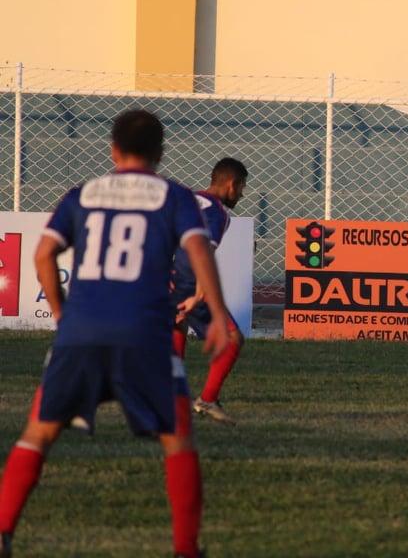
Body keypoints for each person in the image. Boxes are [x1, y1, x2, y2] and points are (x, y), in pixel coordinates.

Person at [0, 110, 230, 558]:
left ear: (113, 149)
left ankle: (3, 530)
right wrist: (217, 311)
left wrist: (63, 315)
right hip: (144, 333)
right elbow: (198, 248)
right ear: (160, 154)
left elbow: (45, 254)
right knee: (177, 439)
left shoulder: (83, 194)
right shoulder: (174, 196)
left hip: (80, 334)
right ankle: (186, 549)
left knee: (37, 434)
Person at [170, 158, 248, 425]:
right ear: (231, 184)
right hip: (188, 280)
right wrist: (200, 294)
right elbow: (204, 252)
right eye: (242, 188)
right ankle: (207, 399)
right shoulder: (217, 212)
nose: (242, 194)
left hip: (162, 276)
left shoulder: (187, 200)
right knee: (233, 338)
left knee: (176, 327)